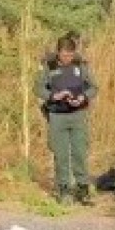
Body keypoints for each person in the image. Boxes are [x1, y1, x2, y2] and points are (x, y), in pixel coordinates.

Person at [34, 34, 98, 205]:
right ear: (58, 52)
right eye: (64, 54)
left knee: (80, 152)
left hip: (77, 114)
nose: (68, 58)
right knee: (60, 154)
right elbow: (38, 88)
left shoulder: (81, 66)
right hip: (57, 116)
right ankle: (64, 189)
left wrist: (83, 97)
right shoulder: (48, 66)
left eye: (71, 54)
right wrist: (54, 95)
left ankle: (82, 189)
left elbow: (94, 87)